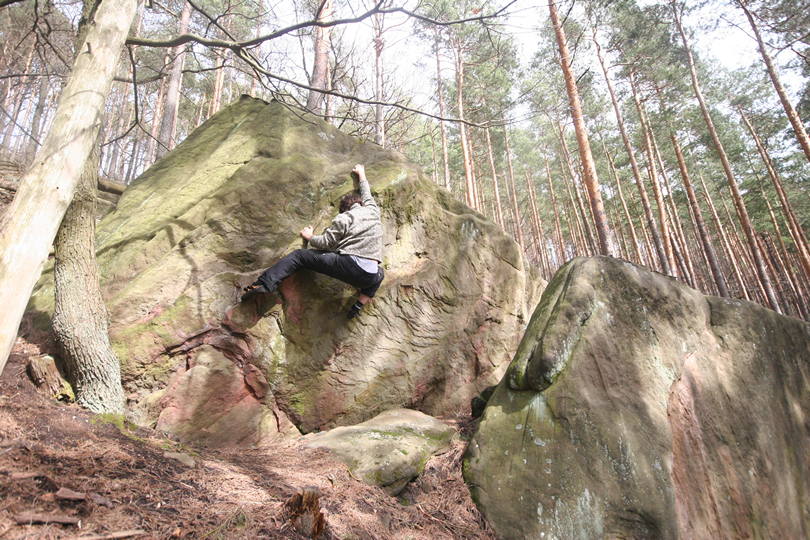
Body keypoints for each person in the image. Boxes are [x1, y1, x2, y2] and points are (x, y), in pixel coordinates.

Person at [242, 164, 384, 318]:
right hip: (369, 275)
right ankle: (357, 306)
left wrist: (310, 237)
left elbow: (326, 243)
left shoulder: (344, 217)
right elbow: (366, 191)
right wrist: (361, 173)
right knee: (380, 274)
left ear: (344, 209)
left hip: (349, 265)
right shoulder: (373, 210)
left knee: (299, 256)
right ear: (361, 203)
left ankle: (264, 283)